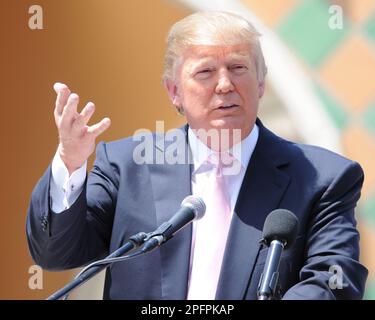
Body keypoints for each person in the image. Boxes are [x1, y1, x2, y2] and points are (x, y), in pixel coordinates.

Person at [26, 11, 368, 300]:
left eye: (238, 68)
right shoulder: (126, 164)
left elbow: (332, 282)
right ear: (174, 91)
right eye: (205, 72)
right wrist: (70, 162)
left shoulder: (323, 178)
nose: (224, 85)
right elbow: (57, 254)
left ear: (261, 82)